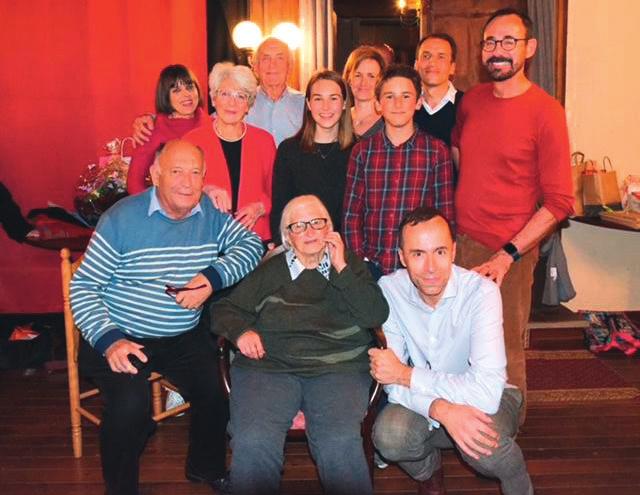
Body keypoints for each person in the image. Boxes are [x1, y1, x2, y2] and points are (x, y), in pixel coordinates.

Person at [70, 139, 263, 495]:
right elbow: (82, 287)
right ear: (155, 174)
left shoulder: (208, 214)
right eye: (176, 172)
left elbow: (251, 246)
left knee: (217, 388)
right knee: (130, 407)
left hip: (181, 336)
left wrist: (210, 279)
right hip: (120, 333)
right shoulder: (122, 219)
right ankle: (121, 488)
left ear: (205, 178)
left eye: (195, 173)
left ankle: (205, 469)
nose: (187, 183)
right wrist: (110, 341)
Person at [213, 194, 389, 495]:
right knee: (253, 439)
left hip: (338, 368)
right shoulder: (271, 270)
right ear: (288, 237)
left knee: (339, 441)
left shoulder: (350, 266)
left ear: (330, 229)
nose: (309, 231)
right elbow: (223, 309)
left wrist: (342, 269)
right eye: (298, 226)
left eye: (317, 223)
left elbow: (375, 314)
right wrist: (241, 332)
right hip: (270, 367)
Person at [451, 8, 574, 423]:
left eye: (508, 42)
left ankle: (503, 432)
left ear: (529, 48)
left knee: (502, 348)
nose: (497, 51)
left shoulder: (547, 112)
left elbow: (559, 202)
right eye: (490, 42)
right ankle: (461, 420)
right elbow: (459, 153)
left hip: (511, 254)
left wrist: (508, 255)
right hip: (462, 244)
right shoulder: (471, 101)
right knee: (458, 342)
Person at [370, 207, 533, 495]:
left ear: (454, 252)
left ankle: (518, 481)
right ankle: (429, 471)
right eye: (418, 254)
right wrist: (441, 410)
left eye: (440, 252)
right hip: (427, 399)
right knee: (389, 436)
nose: (431, 267)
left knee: (481, 446)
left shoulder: (482, 292)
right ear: (402, 257)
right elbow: (391, 380)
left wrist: (407, 375)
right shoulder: (389, 290)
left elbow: (485, 392)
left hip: (492, 397)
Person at [343, 64, 455, 279]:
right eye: (389, 96)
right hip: (371, 264)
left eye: (406, 96)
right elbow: (351, 214)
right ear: (378, 104)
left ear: (418, 102)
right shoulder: (362, 152)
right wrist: (359, 262)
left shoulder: (436, 151)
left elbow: (445, 214)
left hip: (419, 267)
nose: (397, 104)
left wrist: (438, 261)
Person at [184, 62, 276, 242]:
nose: (232, 102)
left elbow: (276, 191)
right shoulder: (191, 141)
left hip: (254, 239)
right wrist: (205, 190)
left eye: (240, 96)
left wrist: (260, 207)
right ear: (213, 99)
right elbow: (177, 190)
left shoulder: (264, 141)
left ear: (248, 105)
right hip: (205, 239)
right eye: (225, 94)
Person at [271, 70, 354, 244]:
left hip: (346, 252)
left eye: (333, 98)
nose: (326, 107)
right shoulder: (288, 151)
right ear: (308, 104)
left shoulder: (359, 151)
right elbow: (280, 211)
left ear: (345, 103)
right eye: (318, 99)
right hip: (300, 249)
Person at [127, 64, 207, 194]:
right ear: (166, 96)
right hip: (169, 208)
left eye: (190, 87)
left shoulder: (214, 125)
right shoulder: (151, 129)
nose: (186, 94)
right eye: (176, 90)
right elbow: (134, 182)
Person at [246, 37, 306, 146]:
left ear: (290, 67)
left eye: (280, 58)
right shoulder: (241, 102)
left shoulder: (305, 104)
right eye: (265, 58)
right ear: (255, 67)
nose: (272, 64)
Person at [413, 34, 463, 147]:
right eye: (426, 56)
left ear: (452, 67)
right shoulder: (404, 105)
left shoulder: (466, 104)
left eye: (441, 57)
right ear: (416, 64)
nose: (432, 63)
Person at [342, 46, 386, 139]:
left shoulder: (388, 122)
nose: (363, 83)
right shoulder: (338, 118)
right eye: (358, 75)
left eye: (371, 76)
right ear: (349, 78)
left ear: (381, 81)